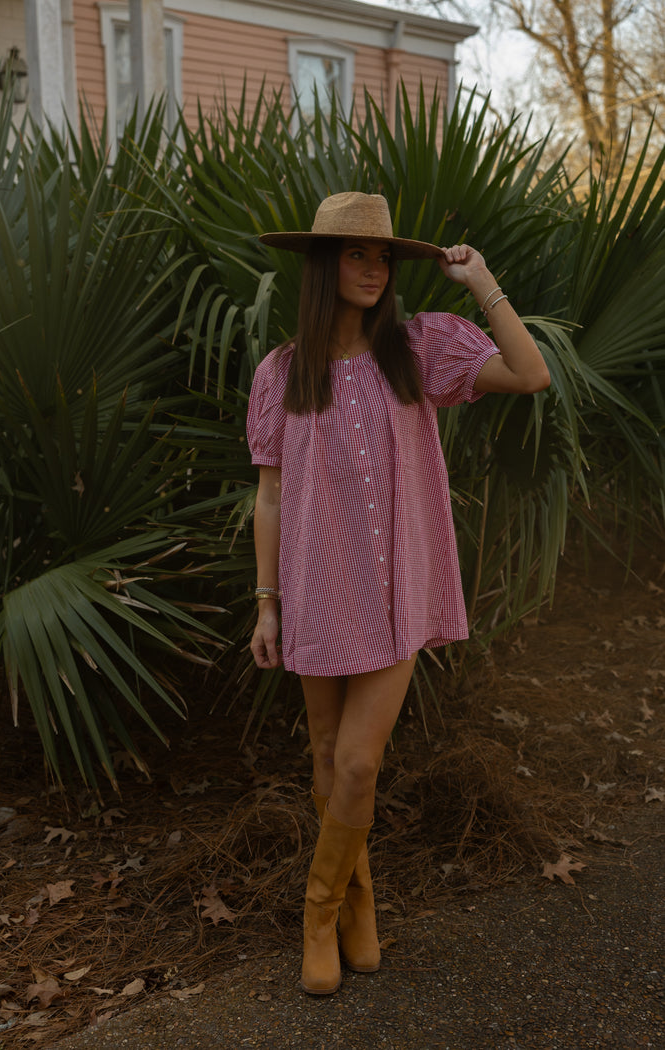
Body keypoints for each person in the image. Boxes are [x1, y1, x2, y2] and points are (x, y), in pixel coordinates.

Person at [246, 191, 550, 996]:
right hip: (313, 592)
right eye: (356, 254)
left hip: (396, 595)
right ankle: (358, 909)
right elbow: (270, 497)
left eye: (382, 255)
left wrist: (482, 284)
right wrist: (266, 601)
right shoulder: (282, 372)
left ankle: (315, 910)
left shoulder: (419, 350)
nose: (374, 268)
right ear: (322, 264)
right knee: (322, 756)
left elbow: (530, 372)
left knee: (355, 763)